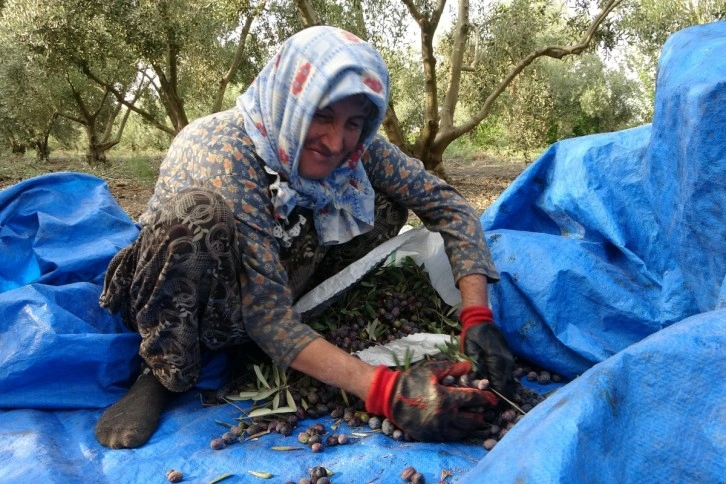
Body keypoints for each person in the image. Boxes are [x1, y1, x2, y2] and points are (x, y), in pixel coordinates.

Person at [95, 25, 515, 449]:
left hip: (274, 284)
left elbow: (448, 206)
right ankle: (162, 373)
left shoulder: (357, 150)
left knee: (383, 201)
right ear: (290, 102)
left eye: (354, 123)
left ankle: (295, 342)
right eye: (322, 115)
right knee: (196, 217)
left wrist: (477, 317)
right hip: (198, 296)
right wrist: (387, 391)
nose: (336, 141)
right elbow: (267, 317)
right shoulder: (224, 153)